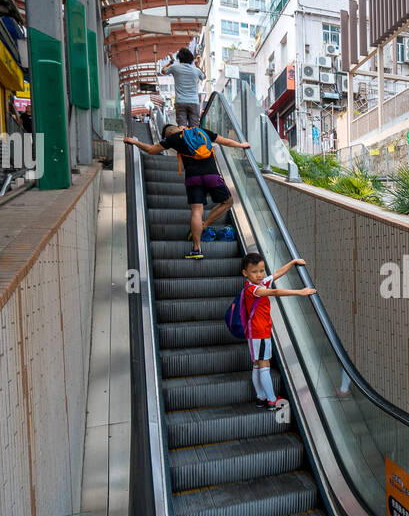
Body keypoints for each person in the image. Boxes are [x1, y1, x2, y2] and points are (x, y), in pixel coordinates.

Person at [124, 124, 249, 259]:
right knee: (228, 202)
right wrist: (241, 145)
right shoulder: (201, 132)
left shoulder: (173, 138)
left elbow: (150, 150)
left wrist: (135, 142)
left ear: (170, 132)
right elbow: (224, 141)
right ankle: (205, 225)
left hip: (193, 179)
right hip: (212, 176)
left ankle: (196, 249)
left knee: (196, 211)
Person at [239, 252, 316, 409]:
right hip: (259, 332)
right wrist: (300, 292)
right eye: (254, 272)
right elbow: (274, 292)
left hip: (257, 332)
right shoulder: (252, 289)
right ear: (245, 273)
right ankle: (272, 400)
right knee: (264, 364)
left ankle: (261, 398)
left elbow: (276, 274)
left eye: (261, 270)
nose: (260, 275)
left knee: (257, 364)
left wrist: (293, 261)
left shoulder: (260, 283)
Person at [163, 48, 205, 127]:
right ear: (191, 58)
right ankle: (194, 139)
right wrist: (197, 66)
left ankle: (184, 139)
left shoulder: (174, 67)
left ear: (179, 58)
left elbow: (163, 71)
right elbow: (204, 77)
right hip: (194, 102)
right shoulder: (196, 70)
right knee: (194, 128)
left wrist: (170, 62)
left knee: (182, 127)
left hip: (180, 102)